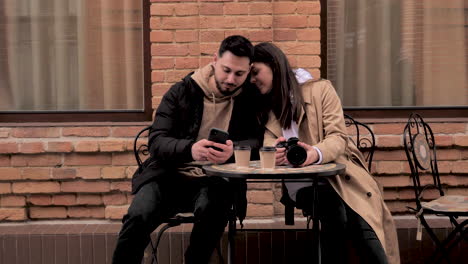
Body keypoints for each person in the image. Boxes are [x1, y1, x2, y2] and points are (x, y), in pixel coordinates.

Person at [112, 35, 262, 264]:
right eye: (226, 70)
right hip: (168, 175)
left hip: (215, 179)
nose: (231, 79)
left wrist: (233, 152)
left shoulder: (248, 100)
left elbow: (259, 142)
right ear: (214, 60)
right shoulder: (181, 91)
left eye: (239, 74)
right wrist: (190, 150)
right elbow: (156, 141)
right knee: (138, 215)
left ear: (249, 70)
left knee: (214, 209)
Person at [250, 42, 400, 264]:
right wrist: (275, 153)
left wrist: (314, 153)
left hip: (340, 177)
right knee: (333, 208)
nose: (252, 80)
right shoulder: (267, 105)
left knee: (362, 220)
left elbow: (338, 137)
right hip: (301, 184)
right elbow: (269, 142)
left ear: (274, 65)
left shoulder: (321, 90)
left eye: (255, 72)